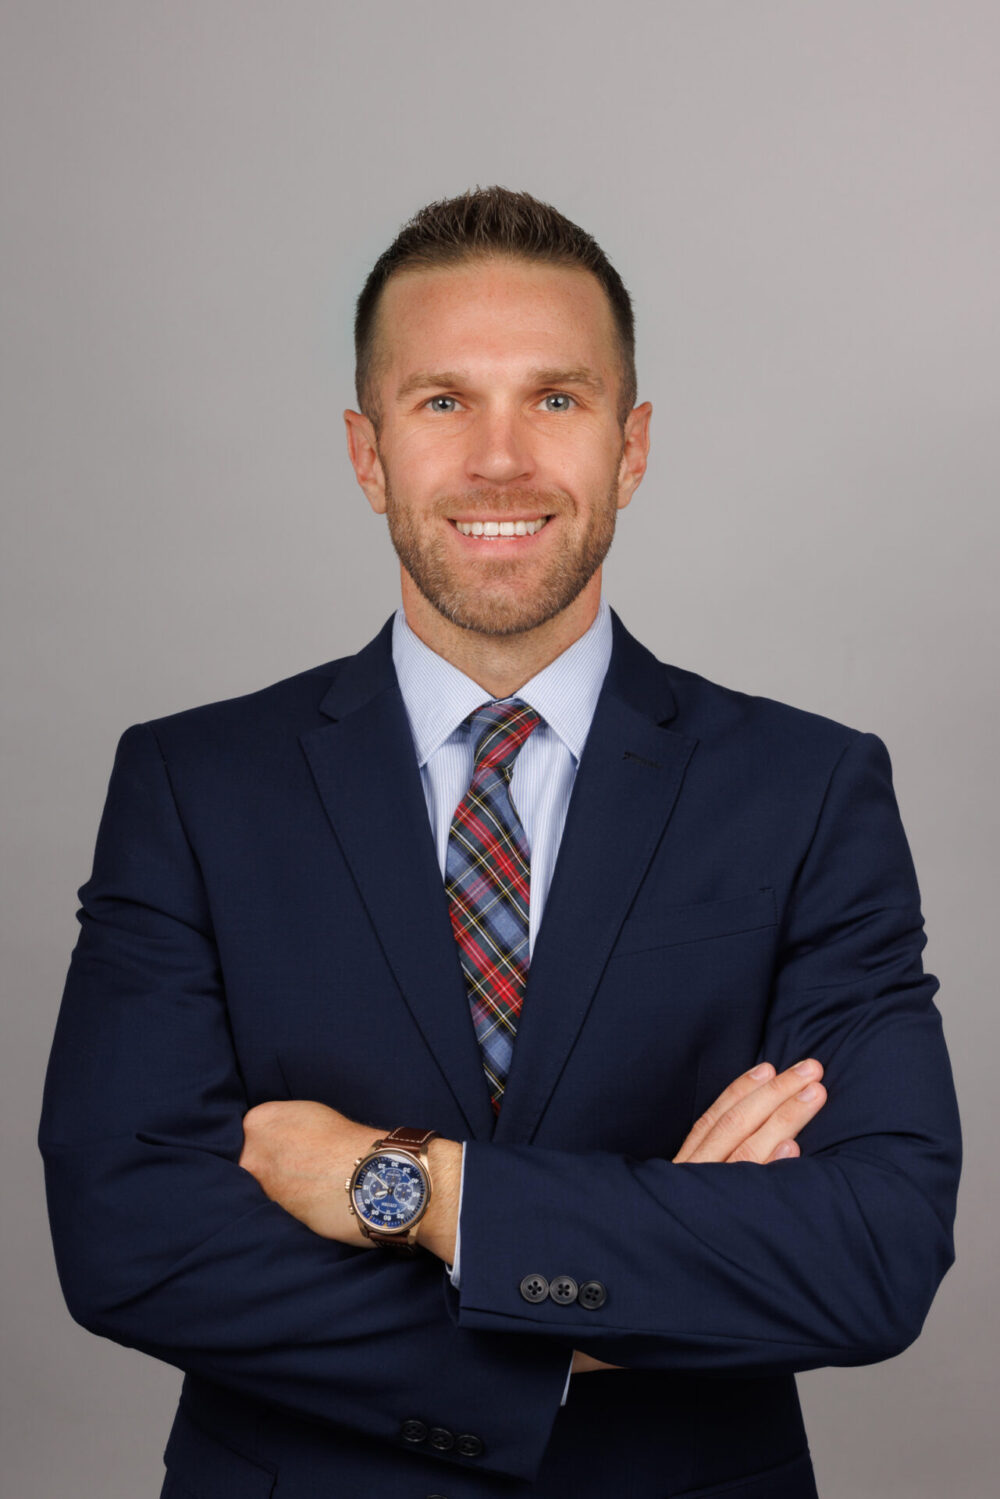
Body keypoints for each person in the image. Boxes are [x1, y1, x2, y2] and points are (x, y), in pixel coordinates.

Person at [39, 187, 961, 1499]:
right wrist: (619, 1302)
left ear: (632, 448)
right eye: (443, 402)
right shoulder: (194, 786)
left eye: (557, 399)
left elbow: (873, 1251)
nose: (500, 461)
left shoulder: (807, 789)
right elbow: (130, 1237)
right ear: (368, 455)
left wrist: (415, 1189)